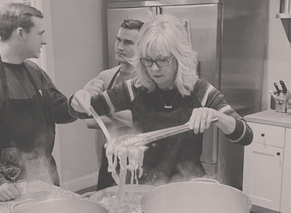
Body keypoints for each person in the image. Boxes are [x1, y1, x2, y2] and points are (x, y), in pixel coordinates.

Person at [69, 14, 253, 187]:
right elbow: (85, 110)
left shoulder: (200, 90)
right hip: (145, 186)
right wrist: (77, 100)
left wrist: (216, 116)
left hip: (186, 185)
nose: (154, 69)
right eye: (147, 60)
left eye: (162, 60)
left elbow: (245, 135)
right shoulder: (134, 89)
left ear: (179, 58)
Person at [0, 3, 77, 201]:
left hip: (46, 180)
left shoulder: (35, 72)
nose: (44, 41)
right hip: (7, 187)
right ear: (21, 33)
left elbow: (59, 110)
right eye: (40, 33)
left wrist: (78, 103)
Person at [83, 19, 144, 190]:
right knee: (105, 202)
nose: (120, 47)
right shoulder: (106, 76)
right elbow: (90, 121)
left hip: (138, 158)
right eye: (118, 40)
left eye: (128, 42)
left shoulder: (146, 81)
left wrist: (103, 108)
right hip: (110, 156)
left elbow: (142, 120)